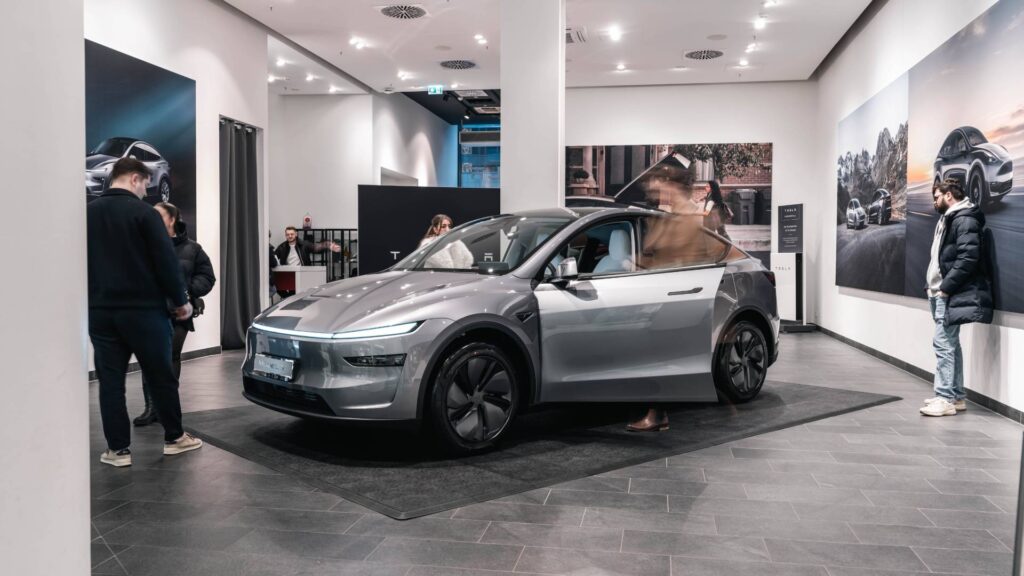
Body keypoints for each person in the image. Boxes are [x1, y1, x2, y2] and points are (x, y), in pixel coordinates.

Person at [87, 157, 202, 467]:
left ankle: (118, 451)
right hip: (144, 312)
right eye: (145, 185)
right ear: (136, 179)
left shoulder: (88, 213)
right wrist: (181, 302)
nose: (145, 191)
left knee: (110, 383)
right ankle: (175, 438)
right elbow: (165, 263)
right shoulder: (145, 214)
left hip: (100, 312)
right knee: (160, 375)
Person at [133, 202, 216, 427]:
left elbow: (208, 277)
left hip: (179, 313)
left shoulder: (193, 249)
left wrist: (189, 291)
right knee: (149, 359)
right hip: (151, 311)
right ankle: (151, 408)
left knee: (171, 357)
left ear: (172, 219)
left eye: (158, 216)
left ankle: (165, 406)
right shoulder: (144, 246)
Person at [920, 178, 993, 417]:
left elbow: (968, 258)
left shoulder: (964, 219)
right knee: (951, 344)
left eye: (937, 196)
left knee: (943, 344)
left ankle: (944, 398)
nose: (934, 200)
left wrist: (946, 288)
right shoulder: (950, 218)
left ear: (949, 195)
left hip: (948, 293)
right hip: (938, 292)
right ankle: (956, 395)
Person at [273, 226, 340, 296]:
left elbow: (316, 247)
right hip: (288, 275)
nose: (290, 236)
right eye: (287, 234)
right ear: (285, 235)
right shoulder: (282, 247)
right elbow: (274, 258)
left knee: (299, 295)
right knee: (282, 290)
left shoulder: (304, 244)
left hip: (302, 274)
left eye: (292, 234)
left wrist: (329, 245)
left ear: (296, 234)